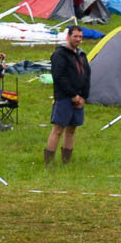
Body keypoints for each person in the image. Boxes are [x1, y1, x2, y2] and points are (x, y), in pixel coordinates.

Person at [45, 25, 90, 165]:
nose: (78, 39)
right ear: (68, 37)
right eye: (75, 36)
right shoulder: (60, 54)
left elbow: (87, 75)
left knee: (72, 129)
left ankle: (66, 161)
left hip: (79, 98)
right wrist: (72, 95)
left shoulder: (82, 55)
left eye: (80, 37)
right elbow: (59, 77)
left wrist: (83, 97)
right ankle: (49, 162)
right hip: (64, 97)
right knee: (58, 129)